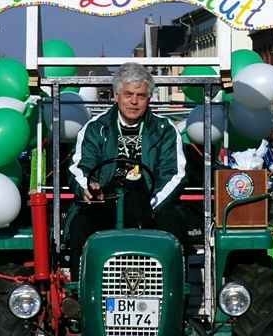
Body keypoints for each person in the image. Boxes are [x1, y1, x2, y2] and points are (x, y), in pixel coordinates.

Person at [67, 63, 185, 279]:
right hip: (103, 202)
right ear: (116, 95)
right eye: (128, 94)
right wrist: (88, 188)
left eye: (140, 95)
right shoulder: (95, 128)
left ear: (149, 98)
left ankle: (175, 293)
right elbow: (79, 168)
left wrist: (151, 204)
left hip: (151, 203)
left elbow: (174, 174)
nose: (134, 101)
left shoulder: (165, 129)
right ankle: (78, 292)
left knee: (174, 227)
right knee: (80, 225)